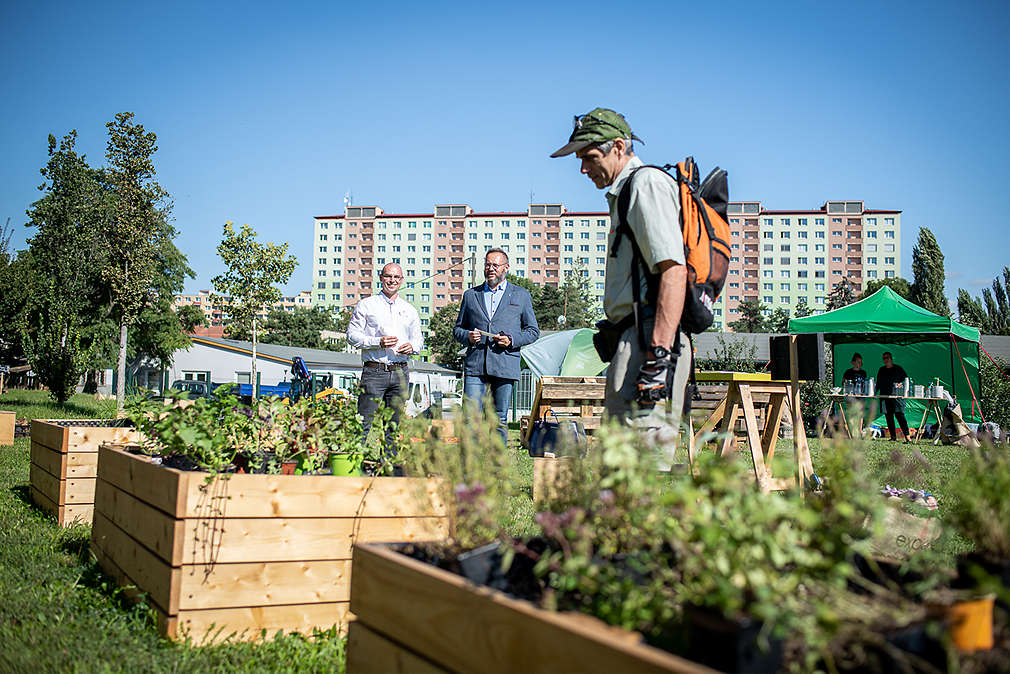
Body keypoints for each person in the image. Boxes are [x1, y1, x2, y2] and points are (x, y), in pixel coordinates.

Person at [551, 108, 690, 470]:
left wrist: (657, 360)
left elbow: (674, 271)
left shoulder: (646, 184)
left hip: (650, 342)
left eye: (589, 157)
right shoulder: (625, 192)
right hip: (633, 339)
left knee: (642, 467)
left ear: (618, 146)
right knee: (619, 464)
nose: (583, 168)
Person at [453, 248, 539, 448]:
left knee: (499, 419)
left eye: (495, 265)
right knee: (470, 418)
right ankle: (470, 466)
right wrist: (468, 336)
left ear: (506, 268)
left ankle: (496, 469)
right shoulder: (471, 295)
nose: (490, 269)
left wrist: (511, 339)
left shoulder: (521, 295)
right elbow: (457, 330)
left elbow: (533, 331)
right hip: (475, 367)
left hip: (505, 364)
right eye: (487, 265)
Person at [347, 263, 422, 457]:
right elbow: (352, 336)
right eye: (388, 276)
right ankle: (354, 462)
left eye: (396, 277)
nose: (392, 280)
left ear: (402, 280)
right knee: (363, 421)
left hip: (400, 372)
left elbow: (418, 340)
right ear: (380, 278)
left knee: (394, 425)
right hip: (374, 371)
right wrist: (376, 342)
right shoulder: (367, 305)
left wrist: (412, 347)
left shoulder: (409, 310)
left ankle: (388, 465)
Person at [876, 351, 911, 441]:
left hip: (897, 397)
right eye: (884, 358)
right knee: (888, 417)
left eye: (887, 357)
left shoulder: (898, 369)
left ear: (891, 358)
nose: (886, 360)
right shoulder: (881, 370)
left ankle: (907, 436)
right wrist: (874, 392)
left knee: (900, 416)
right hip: (885, 396)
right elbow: (878, 383)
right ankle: (893, 437)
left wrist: (905, 392)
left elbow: (906, 379)